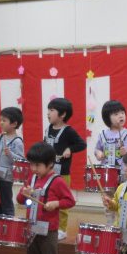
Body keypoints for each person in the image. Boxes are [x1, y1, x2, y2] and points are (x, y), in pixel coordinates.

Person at [17, 142, 76, 254]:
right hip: (32, 227)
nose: (33, 169)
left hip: (49, 229)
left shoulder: (57, 181)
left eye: (37, 165)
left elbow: (70, 201)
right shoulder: (31, 179)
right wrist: (24, 194)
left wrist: (56, 203)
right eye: (31, 165)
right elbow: (20, 200)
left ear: (50, 164)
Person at [45, 97, 86, 240]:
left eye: (52, 110)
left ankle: (62, 229)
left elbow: (82, 144)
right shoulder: (48, 129)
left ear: (62, 114)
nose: (48, 113)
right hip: (47, 172)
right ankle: (48, 225)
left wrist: (70, 149)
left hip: (62, 173)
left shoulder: (69, 131)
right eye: (48, 110)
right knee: (48, 199)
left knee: (62, 201)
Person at [0, 106, 25, 216]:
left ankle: (9, 219)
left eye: (4, 120)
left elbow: (21, 160)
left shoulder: (17, 141)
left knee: (5, 200)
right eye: (0, 120)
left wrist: (10, 154)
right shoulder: (0, 136)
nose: (1, 123)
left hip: (6, 176)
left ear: (14, 124)